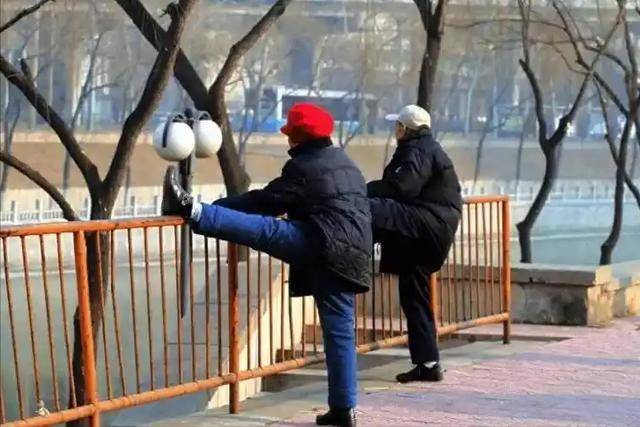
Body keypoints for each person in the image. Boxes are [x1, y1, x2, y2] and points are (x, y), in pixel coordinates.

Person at [162, 103, 371, 427]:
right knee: (341, 334)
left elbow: (265, 202)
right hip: (354, 255)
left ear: (298, 138)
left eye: (289, 135)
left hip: (324, 245)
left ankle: (193, 210)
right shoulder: (345, 163)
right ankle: (344, 410)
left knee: (267, 230)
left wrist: (217, 208)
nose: (287, 141)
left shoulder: (304, 167)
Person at [367, 104, 462, 383]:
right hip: (430, 229)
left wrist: (360, 191)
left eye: (396, 126)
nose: (394, 130)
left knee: (366, 209)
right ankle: (428, 363)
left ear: (403, 128)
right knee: (415, 296)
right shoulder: (426, 148)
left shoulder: (417, 150)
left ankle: (344, 252)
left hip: (425, 228)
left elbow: (402, 188)